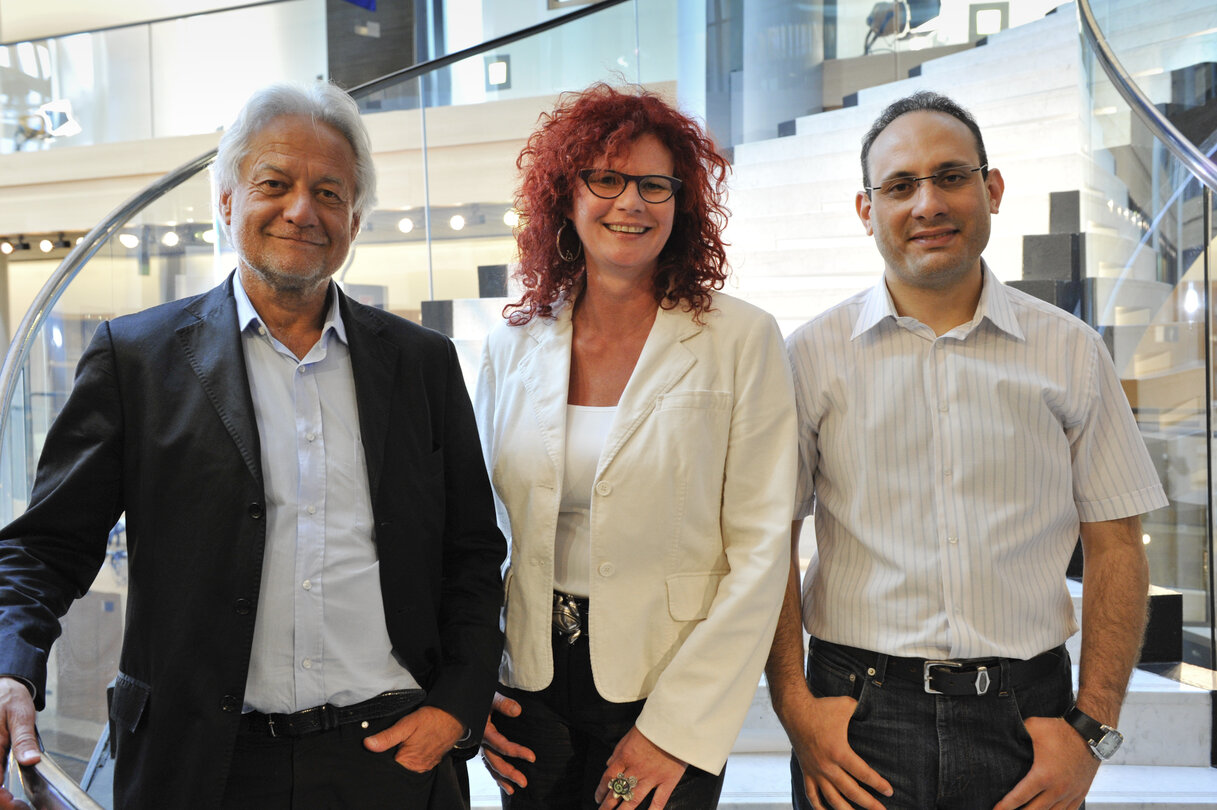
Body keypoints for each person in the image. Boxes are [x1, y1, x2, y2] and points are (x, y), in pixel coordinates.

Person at [0, 81, 505, 810]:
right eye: (275, 183)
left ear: (354, 220)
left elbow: (471, 551)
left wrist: (458, 706)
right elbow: (45, 546)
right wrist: (11, 665)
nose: (302, 209)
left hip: (390, 759)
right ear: (228, 200)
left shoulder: (422, 363)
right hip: (201, 764)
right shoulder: (135, 358)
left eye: (329, 192)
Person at [766, 90, 1168, 810]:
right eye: (899, 185)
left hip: (1025, 717)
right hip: (855, 719)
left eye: (950, 176)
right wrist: (795, 707)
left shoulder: (1070, 352)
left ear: (991, 189)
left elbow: (1116, 546)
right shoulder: (808, 359)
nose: (927, 203)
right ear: (866, 211)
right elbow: (769, 543)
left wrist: (1093, 727)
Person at [473, 83, 797, 809]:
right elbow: (476, 533)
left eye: (654, 185)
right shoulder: (511, 346)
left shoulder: (738, 339)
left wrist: (674, 729)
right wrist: (478, 681)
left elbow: (760, 550)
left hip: (665, 683)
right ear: (566, 195)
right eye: (606, 179)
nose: (631, 203)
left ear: (681, 206)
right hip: (531, 685)